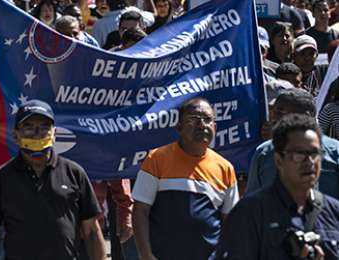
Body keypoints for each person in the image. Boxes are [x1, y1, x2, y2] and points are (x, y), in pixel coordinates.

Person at [0, 100, 106, 260]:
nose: (37, 133)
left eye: (44, 127)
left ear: (55, 133)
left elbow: (92, 231)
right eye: (29, 127)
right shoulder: (1, 178)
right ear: (15, 135)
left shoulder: (74, 173)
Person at [215, 114, 339, 259]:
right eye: (299, 154)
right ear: (279, 160)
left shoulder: (333, 211)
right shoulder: (250, 212)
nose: (310, 162)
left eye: (314, 153)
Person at [132, 97, 239, 260]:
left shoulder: (225, 168)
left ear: (215, 127)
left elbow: (230, 222)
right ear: (179, 127)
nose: (202, 125)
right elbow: (140, 210)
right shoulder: (157, 159)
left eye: (207, 120)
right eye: (194, 119)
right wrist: (145, 254)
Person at [247, 88, 339, 199]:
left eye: (280, 112)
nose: (273, 116)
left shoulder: (335, 151)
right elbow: (253, 198)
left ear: (306, 115)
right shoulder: (264, 152)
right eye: (273, 111)